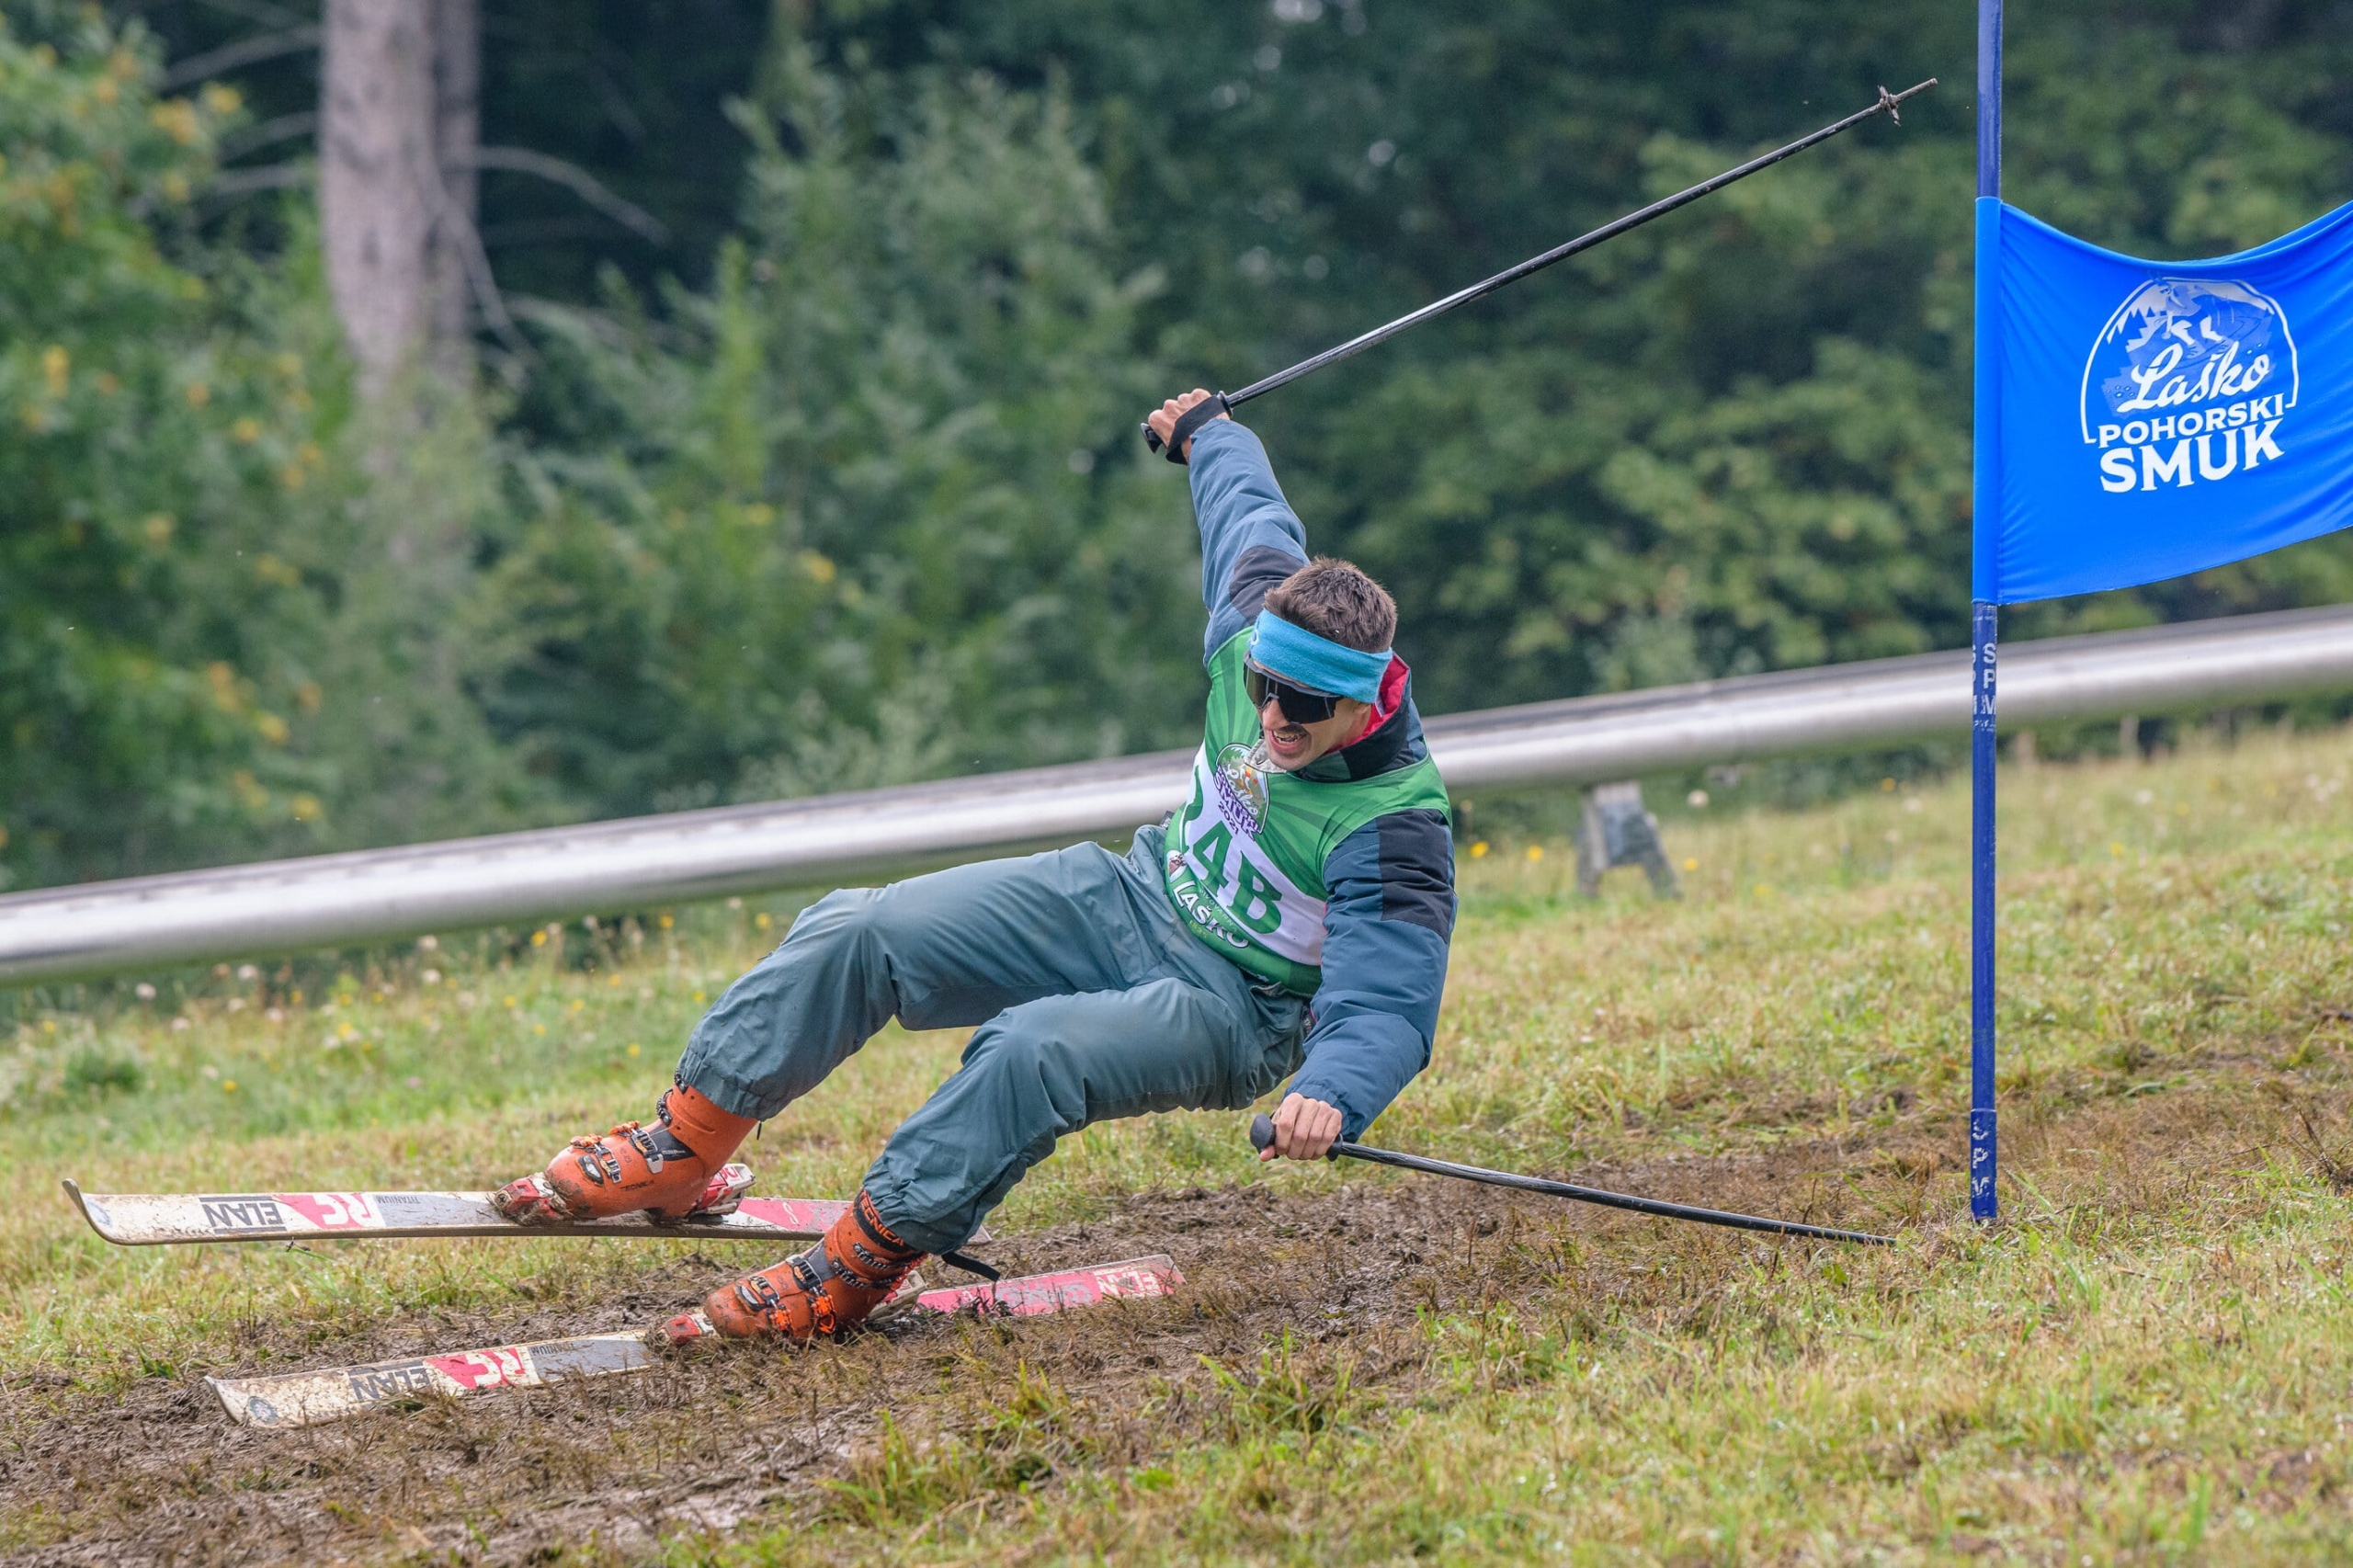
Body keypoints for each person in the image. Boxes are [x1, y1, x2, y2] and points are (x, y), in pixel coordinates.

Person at [494, 390, 1457, 1342]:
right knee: (858, 927)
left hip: (1237, 1006)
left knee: (1029, 1048)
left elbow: (1387, 1002)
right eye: (1264, 686)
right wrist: (1209, 433)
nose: (1276, 715)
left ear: (1364, 702)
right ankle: (685, 1145)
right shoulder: (1252, 627)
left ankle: (857, 1264)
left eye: (1304, 705)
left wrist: (1331, 1086)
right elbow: (1249, 511)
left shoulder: (1392, 824)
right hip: (1131, 891)